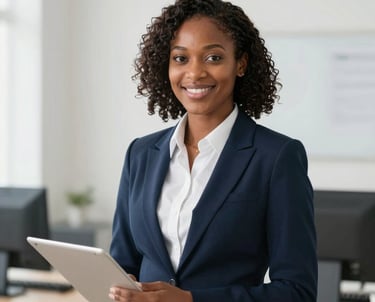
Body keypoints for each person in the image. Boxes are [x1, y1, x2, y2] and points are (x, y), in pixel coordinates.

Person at [109, 0, 317, 301]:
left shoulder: (276, 157)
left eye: (213, 57)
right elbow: (125, 262)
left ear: (241, 64)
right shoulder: (140, 154)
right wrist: (120, 284)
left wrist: (190, 300)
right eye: (181, 58)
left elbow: (297, 292)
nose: (194, 73)